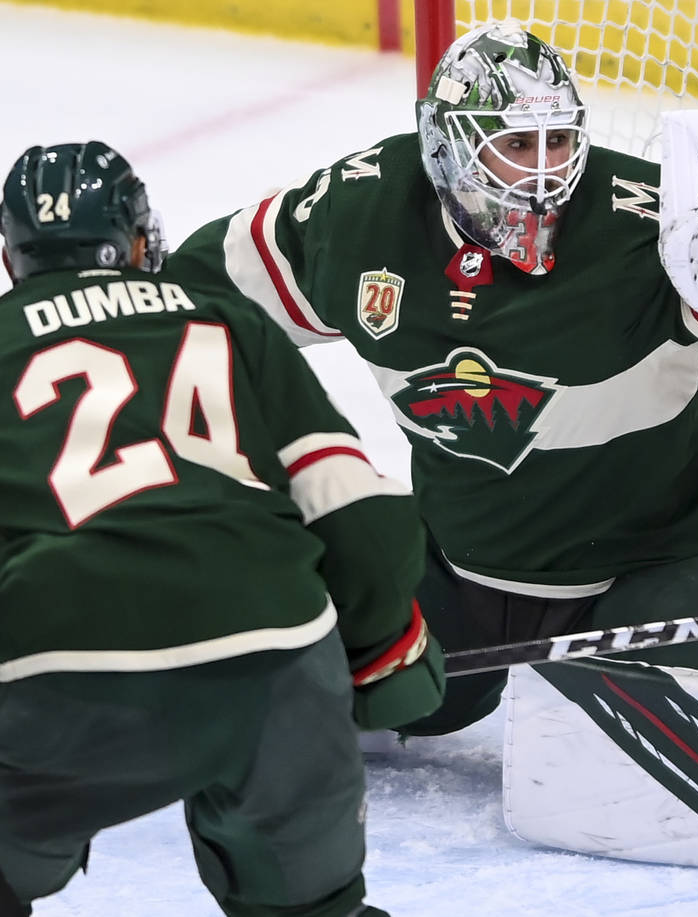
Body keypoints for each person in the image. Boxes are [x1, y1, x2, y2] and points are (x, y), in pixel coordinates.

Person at [168, 20, 698, 738]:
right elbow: (197, 296)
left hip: (661, 560)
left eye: (558, 141)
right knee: (358, 695)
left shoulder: (650, 231)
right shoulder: (362, 215)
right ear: (447, 149)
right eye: (515, 145)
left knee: (646, 741)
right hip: (464, 561)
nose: (546, 171)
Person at [0, 141, 444, 916]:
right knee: (312, 906)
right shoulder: (224, 319)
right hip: (269, 651)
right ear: (140, 241)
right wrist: (384, 651)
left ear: (12, 257)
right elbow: (352, 509)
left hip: (58, 659)